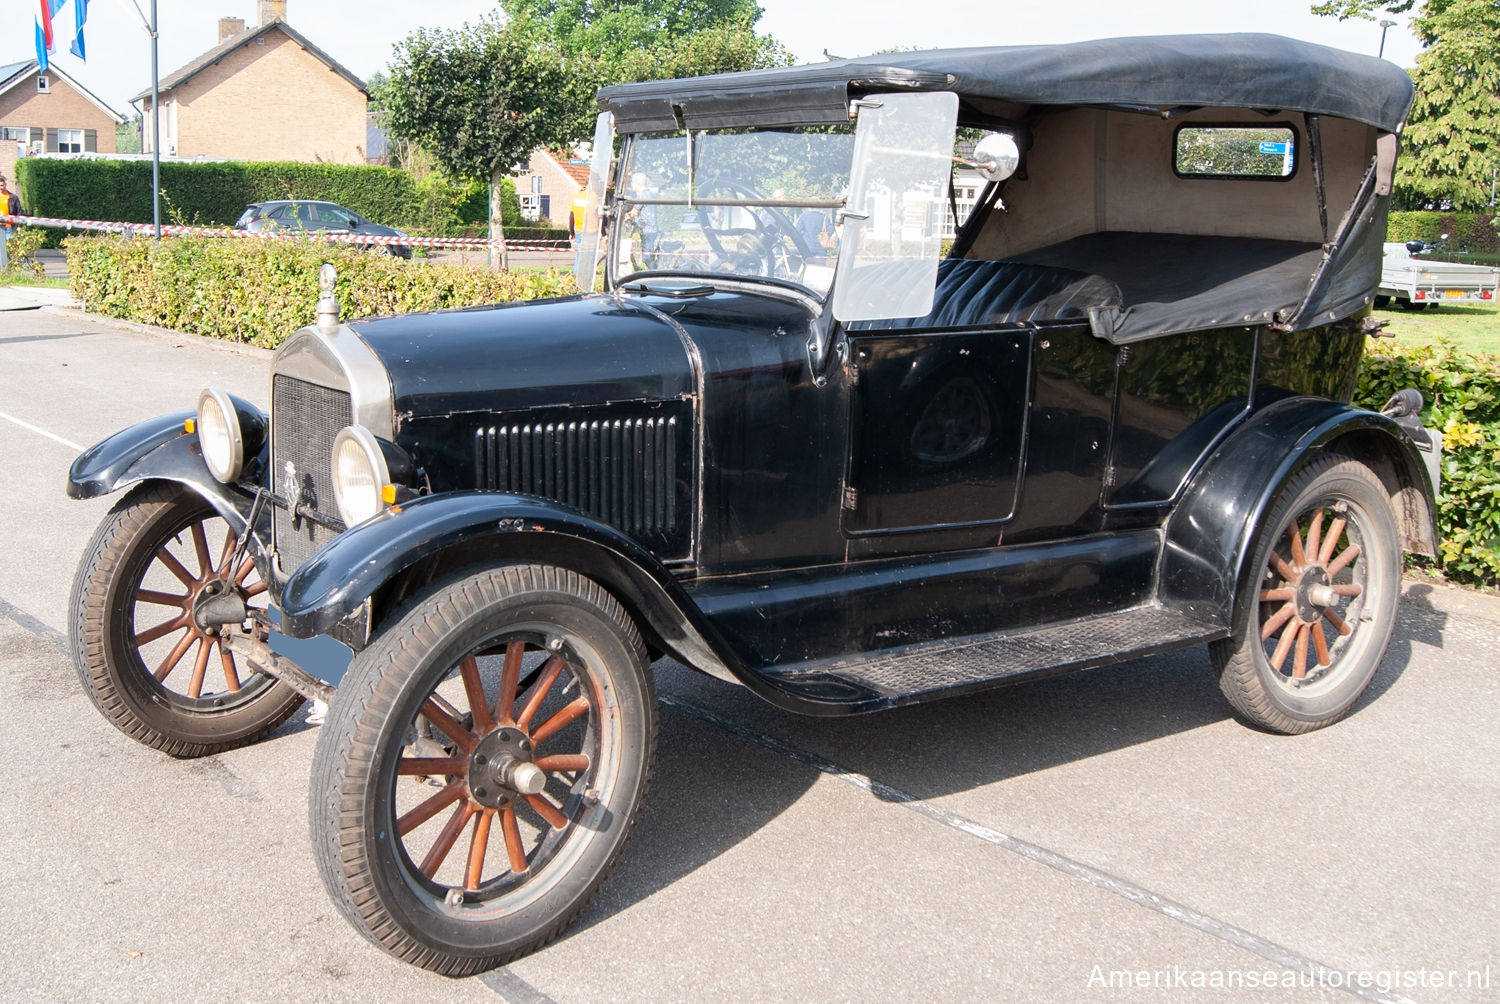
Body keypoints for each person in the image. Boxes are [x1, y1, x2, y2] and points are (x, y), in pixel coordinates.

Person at [0, 176, 20, 272]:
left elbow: (18, 213)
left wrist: (18, 226)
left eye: (2, 185)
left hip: (8, 227)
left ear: (5, 185)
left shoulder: (12, 197)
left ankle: (9, 267)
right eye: (0, 186)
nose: (1, 187)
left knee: (9, 248)